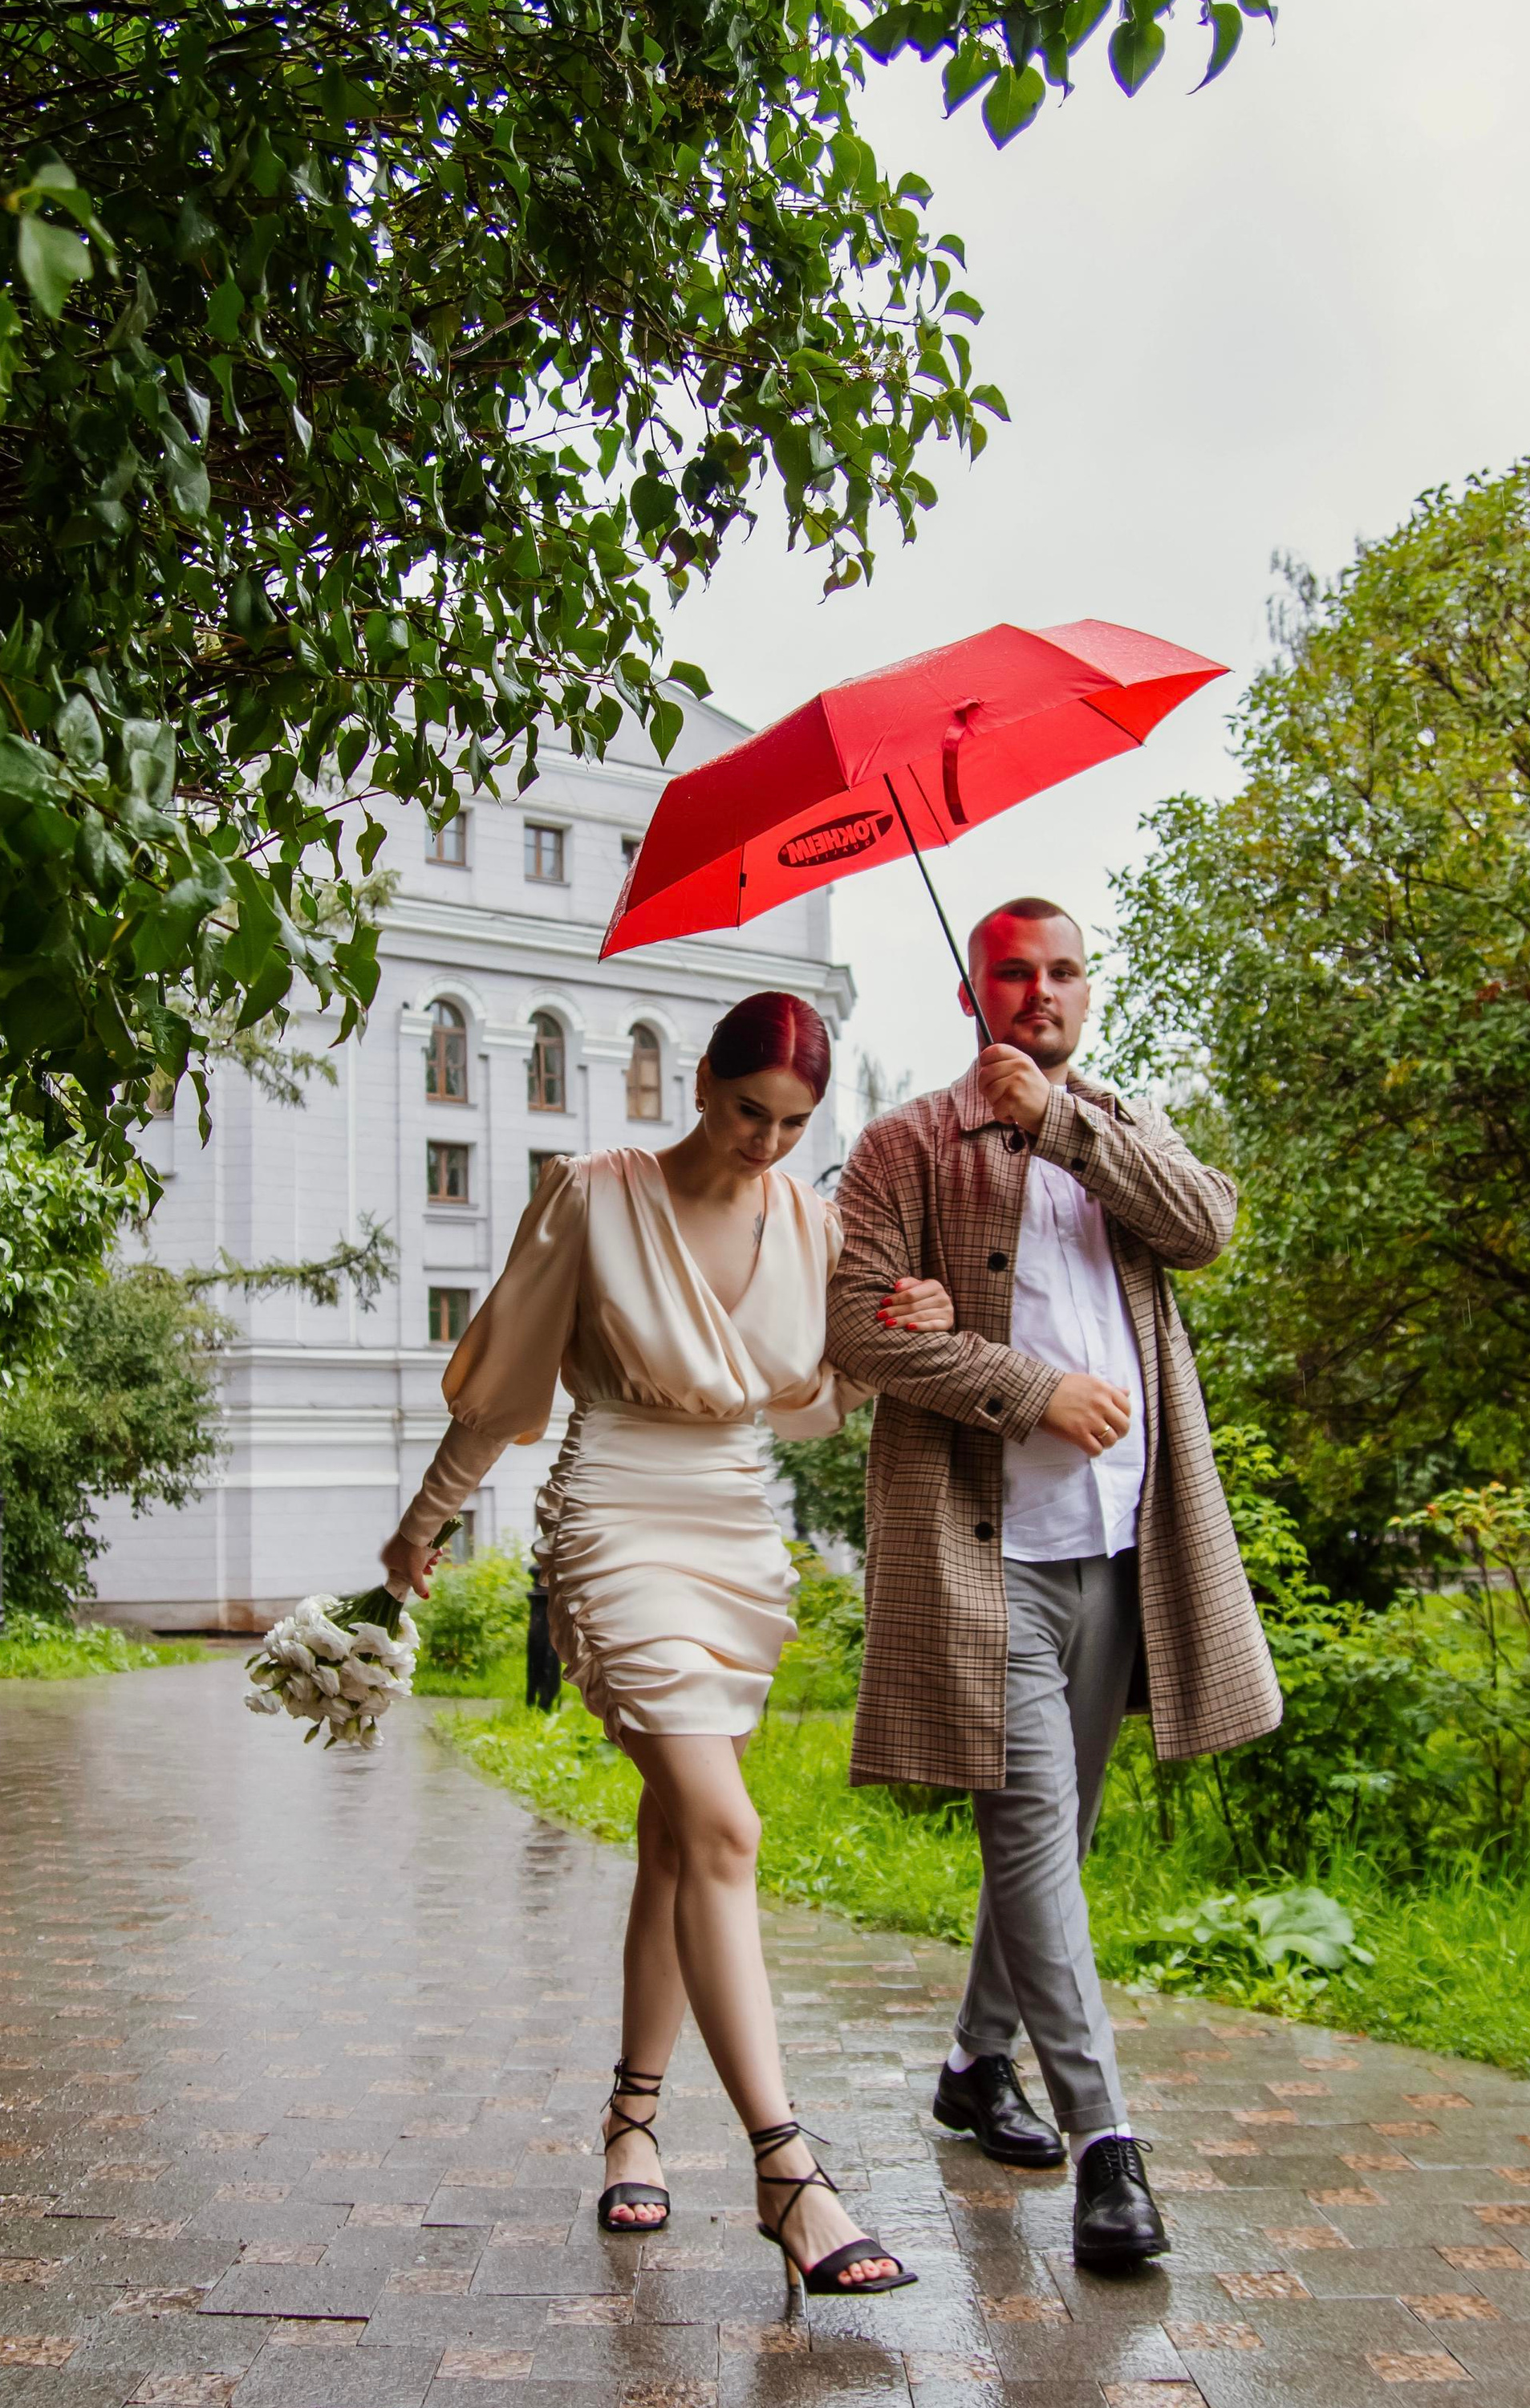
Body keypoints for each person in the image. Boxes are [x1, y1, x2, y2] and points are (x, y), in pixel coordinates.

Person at [384, 989, 955, 2295]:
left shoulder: (814, 1224)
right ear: (700, 1082)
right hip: (617, 1516)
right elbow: (510, 1378)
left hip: (737, 1530)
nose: (766, 1143)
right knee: (726, 1827)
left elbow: (815, 1401)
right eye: (749, 1110)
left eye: (795, 1123)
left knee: (675, 1838)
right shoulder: (593, 1193)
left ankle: (632, 2124)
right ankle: (788, 2173)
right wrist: (424, 1523)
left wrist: (896, 1334)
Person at [826, 900, 1281, 2269]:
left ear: (1088, 990)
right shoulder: (905, 1145)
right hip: (988, 1561)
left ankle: (976, 2065)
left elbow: (1208, 1226)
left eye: (1064, 971)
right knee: (1032, 1835)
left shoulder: (1120, 1126)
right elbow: (857, 1325)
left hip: (1124, 1545)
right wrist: (1027, 1386)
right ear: (973, 990)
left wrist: (1068, 1124)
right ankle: (1107, 2148)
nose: (1041, 992)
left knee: (1055, 1845)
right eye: (1014, 972)